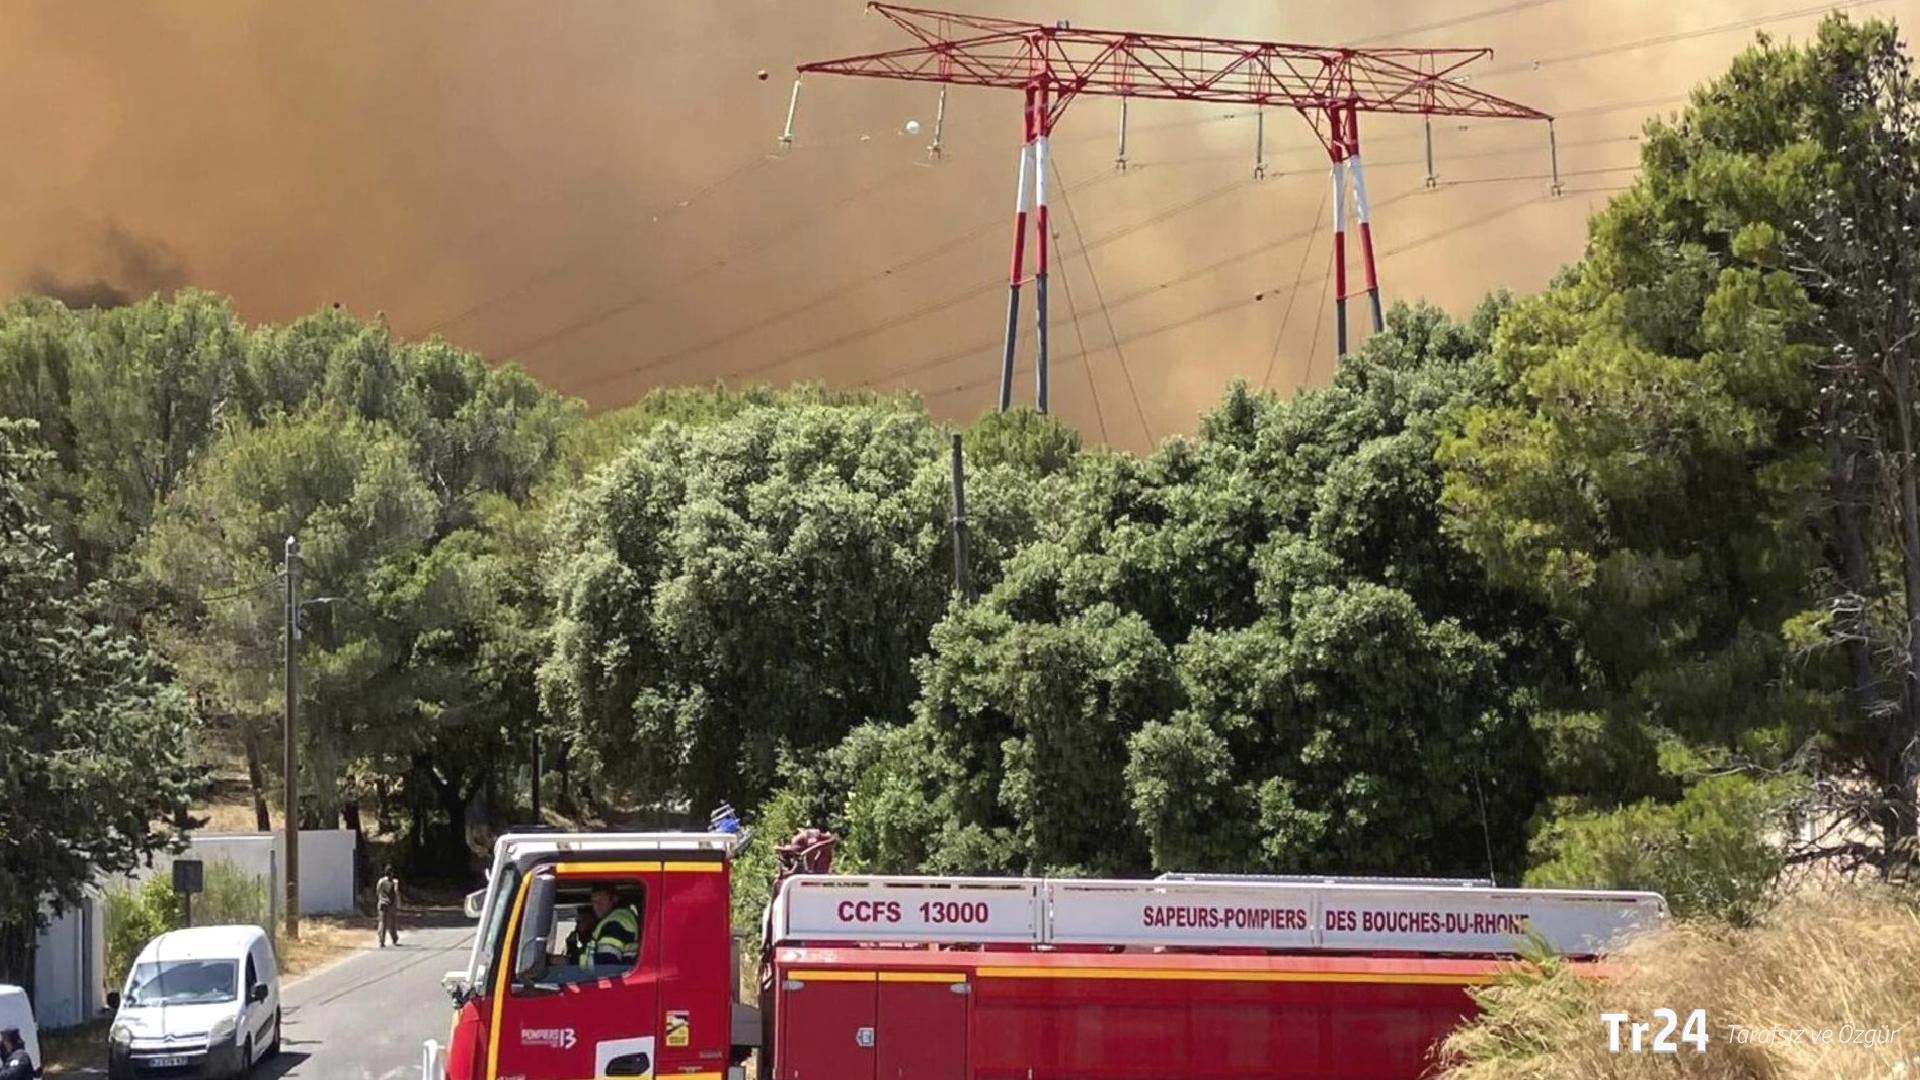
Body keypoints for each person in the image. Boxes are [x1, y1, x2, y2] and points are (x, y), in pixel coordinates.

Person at [586, 883, 639, 970]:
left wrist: (570, 961)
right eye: (594, 902)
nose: (597, 906)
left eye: (602, 900)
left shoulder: (615, 922)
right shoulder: (618, 918)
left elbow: (606, 964)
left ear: (614, 899)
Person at [375, 864, 402, 948]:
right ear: (392, 873)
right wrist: (398, 903)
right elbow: (396, 892)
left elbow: (377, 891)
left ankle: (381, 940)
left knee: (382, 922)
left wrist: (380, 899)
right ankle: (394, 938)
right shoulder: (395, 882)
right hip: (391, 904)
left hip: (382, 903)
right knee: (392, 922)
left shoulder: (381, 881)